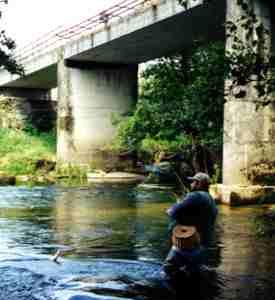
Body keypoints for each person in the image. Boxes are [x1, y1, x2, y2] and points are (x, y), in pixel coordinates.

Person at [162, 172, 218, 283]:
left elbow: (172, 212)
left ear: (199, 184)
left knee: (167, 271)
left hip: (187, 244)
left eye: (193, 181)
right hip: (203, 245)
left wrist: (174, 206)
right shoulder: (210, 199)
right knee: (194, 277)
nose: (191, 184)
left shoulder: (195, 196)